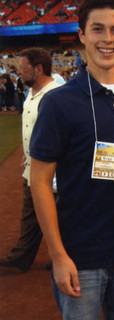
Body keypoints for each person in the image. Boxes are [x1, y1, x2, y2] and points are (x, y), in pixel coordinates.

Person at [29, 1, 114, 318]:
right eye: (97, 29)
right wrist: (57, 255)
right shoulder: (59, 102)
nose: (106, 39)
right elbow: (39, 181)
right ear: (82, 35)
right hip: (79, 256)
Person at [0, 48, 61, 273]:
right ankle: (21, 258)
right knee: (31, 214)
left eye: (24, 69)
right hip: (33, 167)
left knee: (59, 216)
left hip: (53, 172)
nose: (20, 74)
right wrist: (27, 153)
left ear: (38, 68)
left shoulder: (57, 94)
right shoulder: (33, 93)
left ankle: (62, 257)